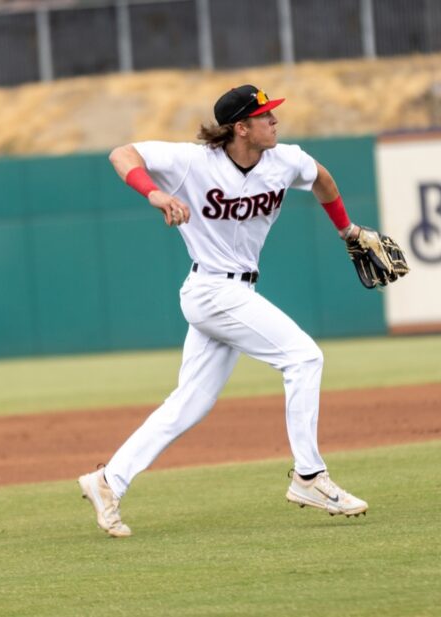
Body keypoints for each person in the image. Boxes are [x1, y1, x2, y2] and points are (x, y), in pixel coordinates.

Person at [78, 84, 368, 538]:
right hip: (212, 289)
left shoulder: (284, 159)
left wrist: (346, 229)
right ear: (241, 127)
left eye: (272, 114)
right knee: (304, 357)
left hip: (233, 291)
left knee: (189, 404)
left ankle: (107, 481)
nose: (274, 121)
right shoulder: (193, 162)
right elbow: (122, 153)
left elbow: (322, 179)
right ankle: (309, 476)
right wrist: (154, 194)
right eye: (265, 116)